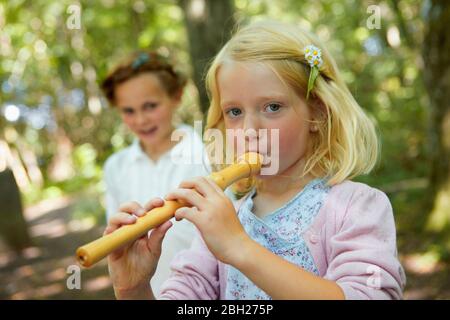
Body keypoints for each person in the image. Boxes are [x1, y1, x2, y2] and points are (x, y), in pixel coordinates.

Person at [104, 21, 406, 300]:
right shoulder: (221, 222)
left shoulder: (356, 208)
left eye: (272, 107)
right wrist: (133, 288)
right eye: (234, 112)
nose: (250, 131)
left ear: (317, 111)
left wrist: (240, 247)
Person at [100, 51, 210, 297]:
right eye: (128, 111)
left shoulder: (208, 156)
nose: (140, 119)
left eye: (150, 106)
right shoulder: (115, 167)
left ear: (176, 96)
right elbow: (119, 240)